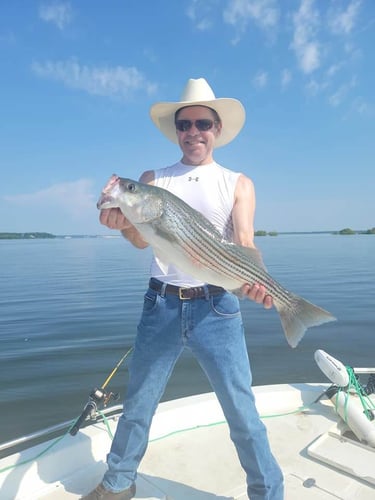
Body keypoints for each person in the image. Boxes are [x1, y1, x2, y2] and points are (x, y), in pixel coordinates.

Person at [83, 78, 284, 500]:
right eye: (184, 124)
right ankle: (118, 483)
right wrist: (124, 223)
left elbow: (244, 244)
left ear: (217, 129)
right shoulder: (154, 180)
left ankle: (268, 493)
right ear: (176, 131)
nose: (193, 132)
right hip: (162, 305)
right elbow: (142, 240)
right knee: (138, 405)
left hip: (219, 308)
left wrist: (263, 286)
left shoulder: (238, 183)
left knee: (243, 413)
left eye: (203, 124)